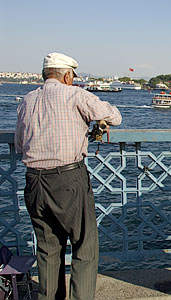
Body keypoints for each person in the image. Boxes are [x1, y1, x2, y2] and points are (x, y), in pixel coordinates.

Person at [15, 53, 122, 300]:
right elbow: (114, 116)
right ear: (66, 75)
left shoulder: (27, 100)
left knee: (48, 248)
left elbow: (20, 145)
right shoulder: (76, 94)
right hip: (67, 180)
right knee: (84, 246)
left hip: (33, 181)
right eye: (73, 75)